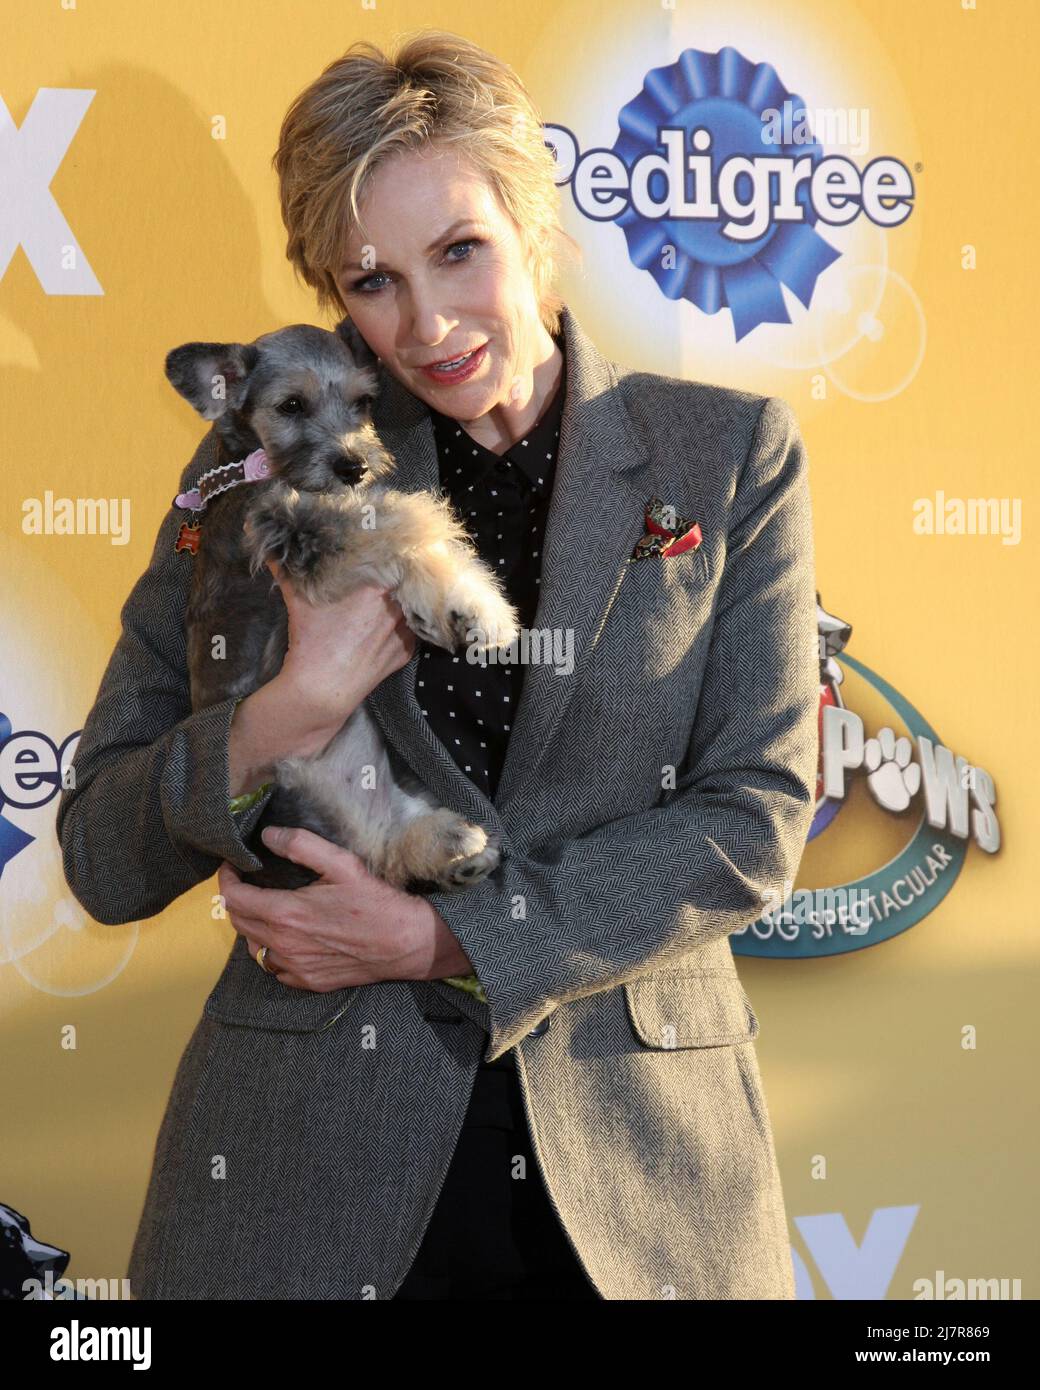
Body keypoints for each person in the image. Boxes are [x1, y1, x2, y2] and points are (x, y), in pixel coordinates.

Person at [56, 30, 820, 1300]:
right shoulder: (254, 468)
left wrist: (437, 937)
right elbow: (102, 852)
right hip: (300, 1177)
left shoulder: (724, 455)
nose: (425, 324)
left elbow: (750, 821)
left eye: (458, 250)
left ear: (534, 217)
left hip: (639, 1190)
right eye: (369, 282)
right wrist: (288, 709)